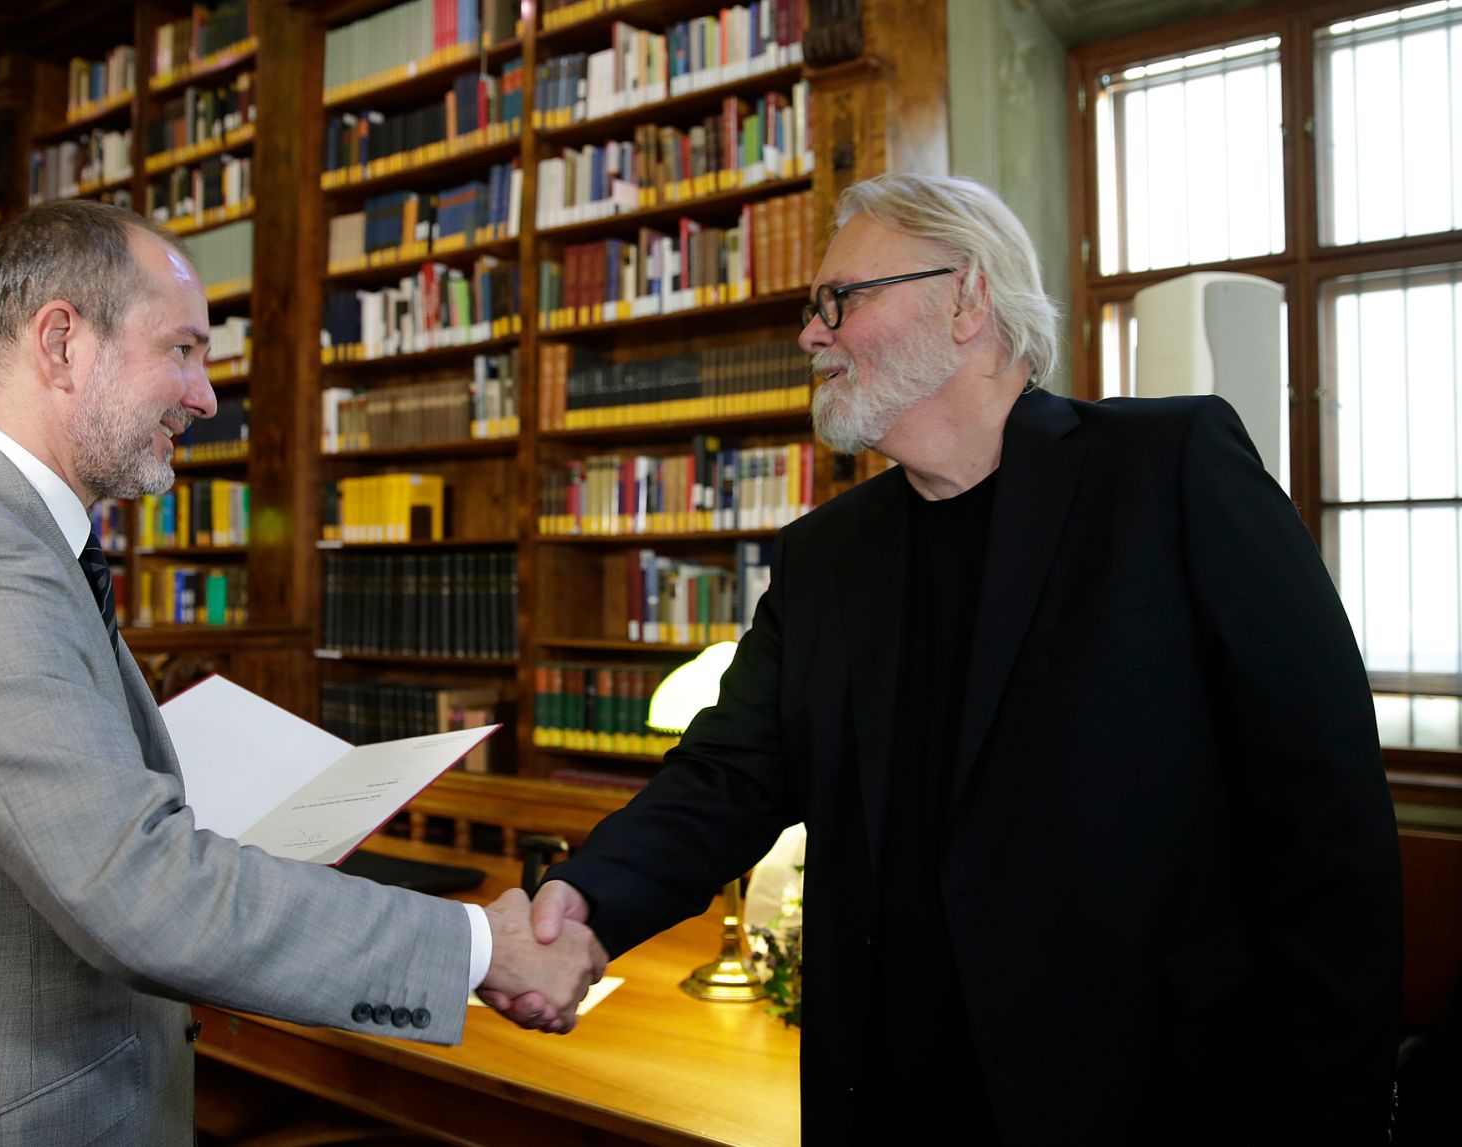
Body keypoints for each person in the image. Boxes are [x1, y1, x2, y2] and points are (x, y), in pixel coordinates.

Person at [485, 173, 1403, 1145]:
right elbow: (726, 776)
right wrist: (579, 903)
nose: (811, 334)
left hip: (1147, 1094)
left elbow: (1321, 811)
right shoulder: (823, 555)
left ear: (966, 300)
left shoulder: (1164, 470)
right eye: (812, 308)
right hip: (890, 1096)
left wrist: (1331, 1111)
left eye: (840, 299)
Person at [0, 200, 604, 1145]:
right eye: (182, 349)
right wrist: (476, 947)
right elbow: (134, 889)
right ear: (62, 341)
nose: (207, 396)